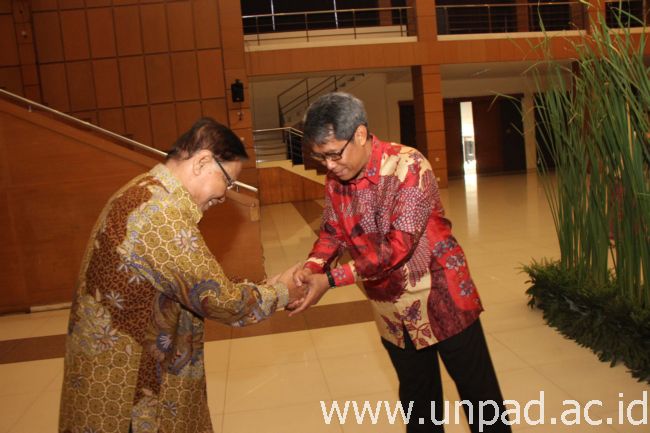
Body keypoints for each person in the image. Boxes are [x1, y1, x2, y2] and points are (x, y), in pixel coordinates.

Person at [59, 118, 303, 433]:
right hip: (126, 390)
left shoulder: (144, 190)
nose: (224, 195)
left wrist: (261, 288)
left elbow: (191, 280)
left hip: (120, 371)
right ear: (202, 162)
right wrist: (282, 291)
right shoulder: (160, 214)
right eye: (228, 181)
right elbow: (221, 300)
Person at [290, 93, 511, 433]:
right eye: (321, 157)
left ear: (360, 134)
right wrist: (312, 268)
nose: (329, 166)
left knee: (480, 400)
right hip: (391, 308)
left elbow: (397, 248)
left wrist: (330, 280)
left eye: (334, 154)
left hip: (442, 296)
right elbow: (332, 233)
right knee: (419, 403)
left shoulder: (408, 165)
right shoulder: (337, 180)